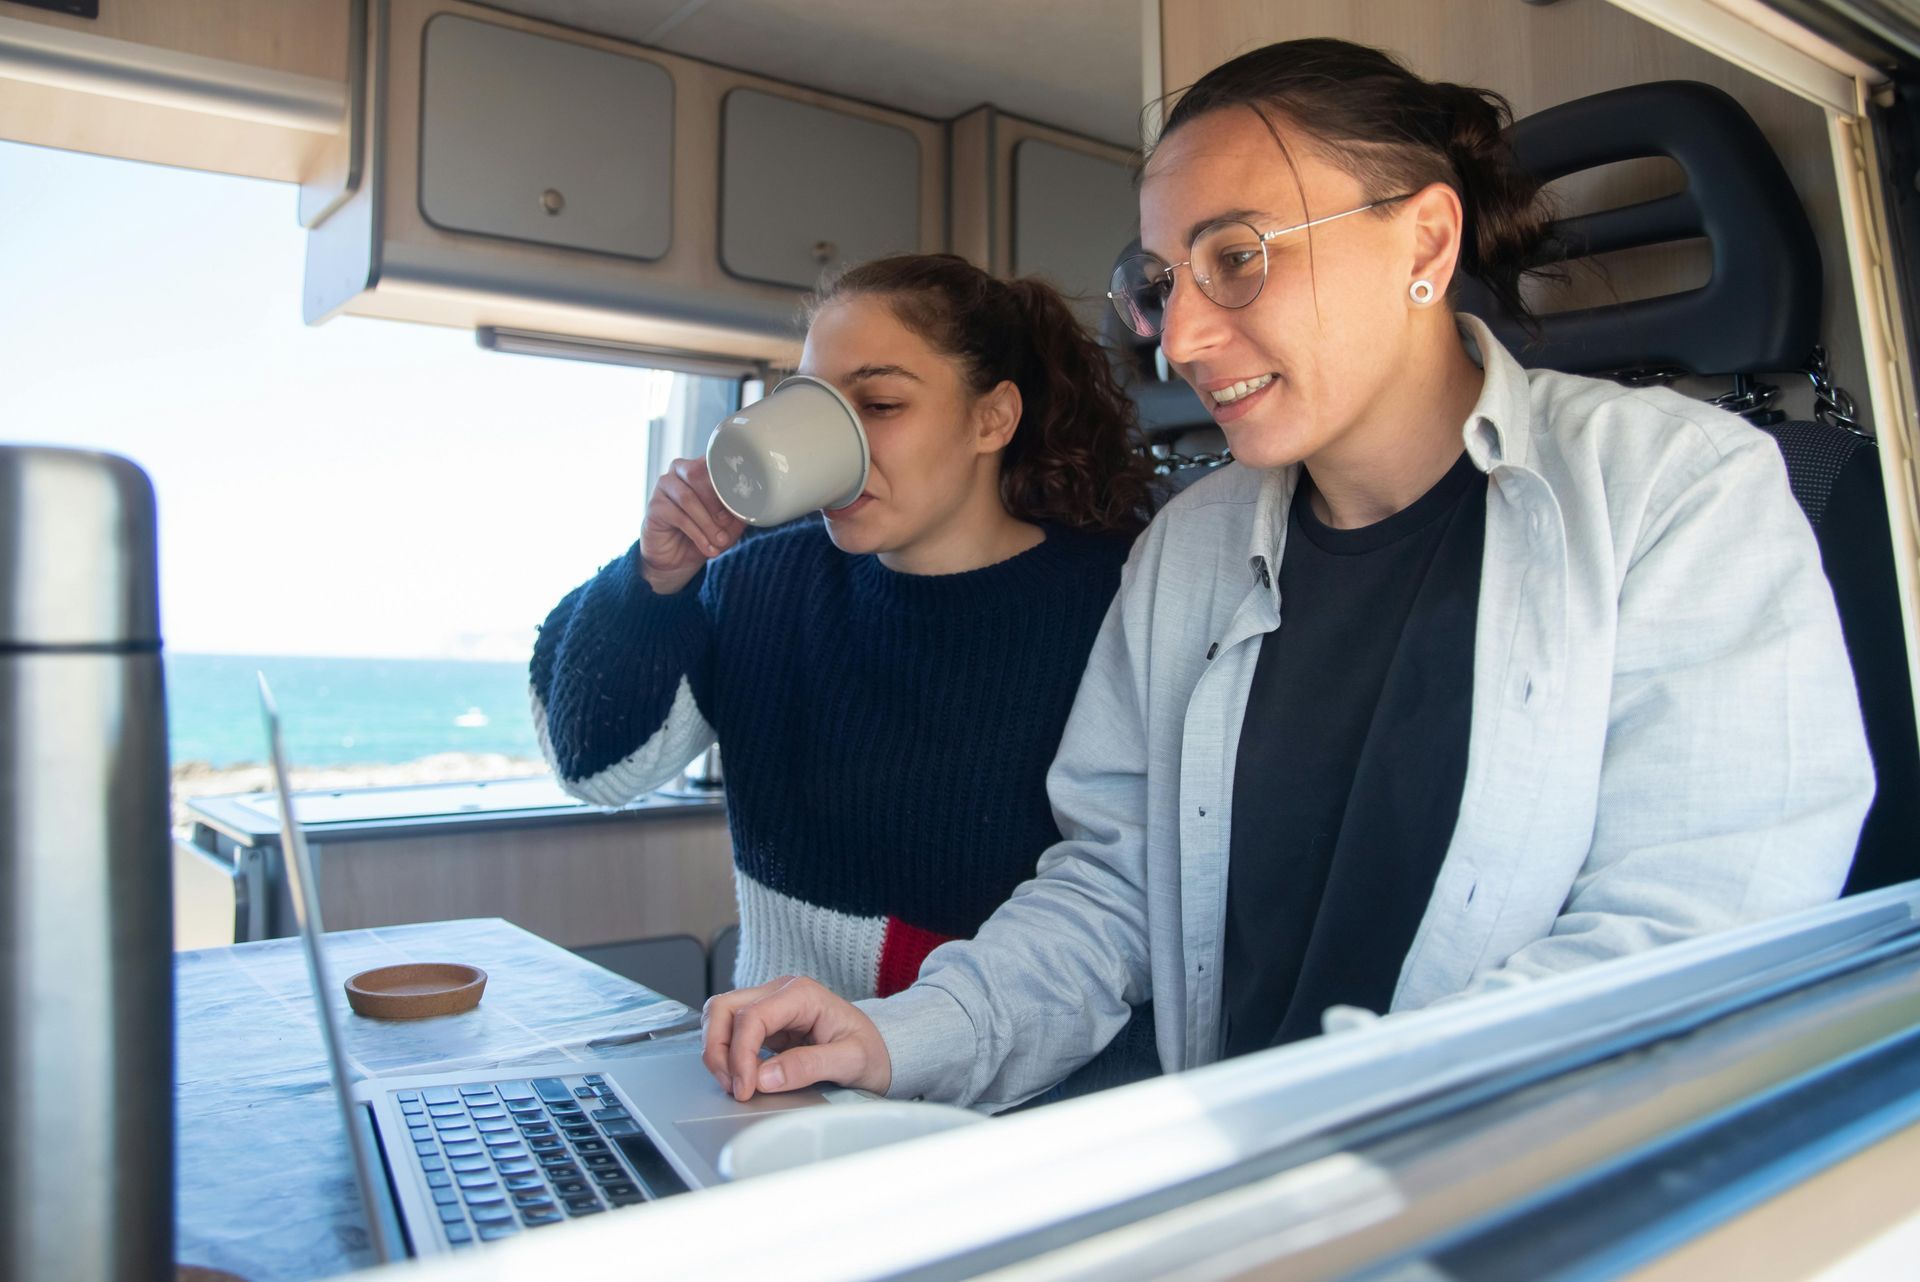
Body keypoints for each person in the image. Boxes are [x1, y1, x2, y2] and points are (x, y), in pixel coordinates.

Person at [700, 38, 1875, 1112]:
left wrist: (1351, 1150)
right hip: (1249, 1190)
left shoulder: (1680, 493)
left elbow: (1689, 940)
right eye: (1162, 281)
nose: (1183, 338)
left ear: (1424, 241)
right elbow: (1112, 894)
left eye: (1239, 259)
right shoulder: (1190, 549)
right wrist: (899, 1034)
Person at [531, 253, 1160, 1092]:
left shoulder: (1119, 601)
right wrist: (654, 581)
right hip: (785, 1092)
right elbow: (597, 768)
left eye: (880, 403)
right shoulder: (760, 580)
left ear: (992, 418)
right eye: (816, 406)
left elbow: (1130, 909)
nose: (839, 440)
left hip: (1030, 1114)